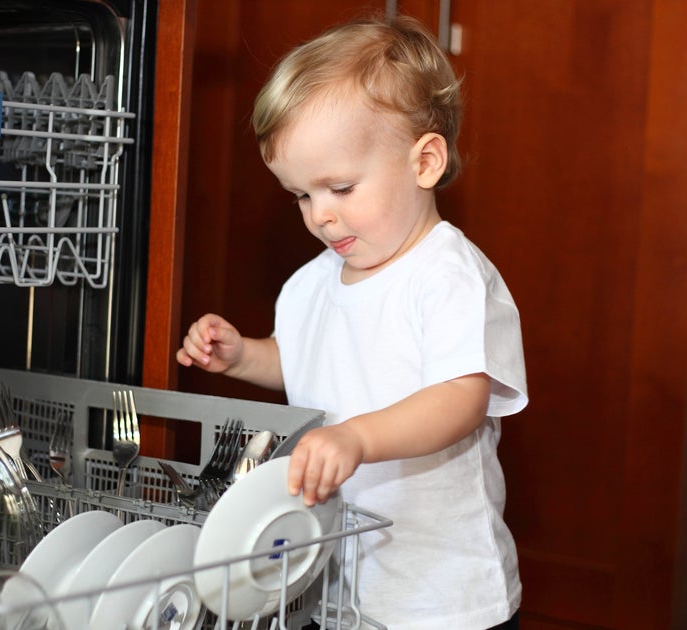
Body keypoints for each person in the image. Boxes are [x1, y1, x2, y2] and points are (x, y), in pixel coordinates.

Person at [176, 14, 527, 630]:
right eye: (302, 195)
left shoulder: (448, 276)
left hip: (443, 596)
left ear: (425, 162)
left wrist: (357, 438)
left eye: (339, 188)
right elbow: (305, 359)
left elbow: (461, 396)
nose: (320, 216)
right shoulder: (311, 282)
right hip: (339, 583)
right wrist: (242, 356)